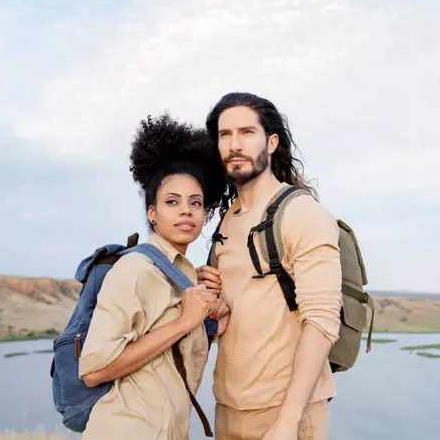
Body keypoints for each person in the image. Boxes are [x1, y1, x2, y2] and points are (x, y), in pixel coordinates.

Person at [197, 93, 343, 439]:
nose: (235, 144)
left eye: (247, 132)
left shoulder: (302, 213)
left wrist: (287, 422)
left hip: (288, 413)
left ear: (272, 142)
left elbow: (322, 321)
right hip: (230, 408)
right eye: (225, 135)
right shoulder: (227, 222)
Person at [77, 113, 231, 440]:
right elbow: (92, 371)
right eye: (172, 202)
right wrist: (185, 322)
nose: (186, 211)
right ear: (152, 213)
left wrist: (214, 320)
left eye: (196, 203)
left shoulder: (184, 276)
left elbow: (173, 361)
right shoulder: (136, 269)